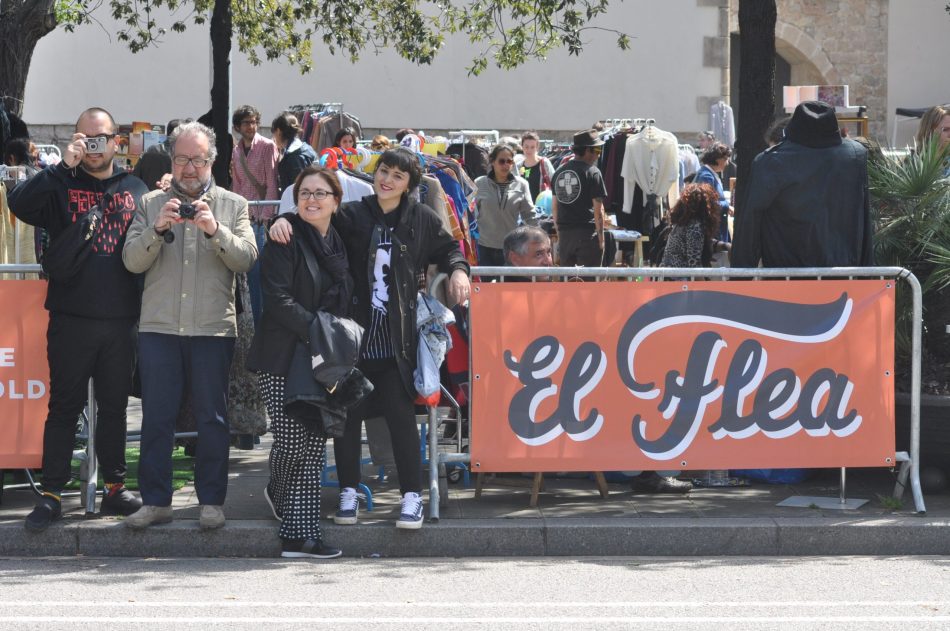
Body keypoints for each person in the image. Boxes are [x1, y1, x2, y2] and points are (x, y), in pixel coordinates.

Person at [269, 147, 470, 529]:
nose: (386, 179)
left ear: (409, 183)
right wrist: (279, 221)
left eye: (397, 175)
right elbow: (313, 220)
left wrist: (458, 271)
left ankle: (412, 497)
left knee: (399, 416)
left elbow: (450, 250)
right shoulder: (354, 215)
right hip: (351, 339)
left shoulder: (422, 219)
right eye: (383, 171)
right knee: (348, 416)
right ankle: (349, 492)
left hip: (395, 343)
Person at [8, 107, 146, 532]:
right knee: (63, 408)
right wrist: (59, 167)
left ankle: (114, 488)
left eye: (101, 137)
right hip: (70, 317)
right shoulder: (59, 183)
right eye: (85, 138)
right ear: (75, 140)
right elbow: (18, 204)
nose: (93, 145)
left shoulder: (136, 187)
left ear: (116, 141)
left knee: (115, 409)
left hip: (121, 318)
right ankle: (51, 494)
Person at [122, 121, 258, 530]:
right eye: (181, 159)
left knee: (212, 418)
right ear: (171, 160)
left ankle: (211, 502)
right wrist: (157, 228)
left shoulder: (233, 205)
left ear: (212, 161)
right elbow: (131, 261)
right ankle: (156, 501)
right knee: (157, 417)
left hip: (212, 328)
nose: (188, 168)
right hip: (159, 328)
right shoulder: (149, 204)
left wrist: (214, 230)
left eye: (197, 159)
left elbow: (247, 258)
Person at [247, 165, 350, 559]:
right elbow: (277, 298)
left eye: (320, 193)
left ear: (335, 201)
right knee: (291, 441)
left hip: (322, 361)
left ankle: (299, 536)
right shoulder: (285, 237)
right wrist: (318, 331)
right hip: (282, 355)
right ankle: (277, 488)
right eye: (304, 193)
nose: (311, 199)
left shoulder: (341, 243)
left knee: (312, 443)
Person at [732, 100, 872, 268]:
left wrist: (741, 273)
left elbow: (750, 222)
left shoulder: (771, 161)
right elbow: (863, 215)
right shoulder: (855, 156)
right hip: (843, 271)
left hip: (787, 274)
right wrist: (866, 270)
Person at [230, 105, 279, 324]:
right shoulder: (236, 149)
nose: (251, 126)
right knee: (245, 274)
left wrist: (266, 215)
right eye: (246, 123)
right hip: (243, 217)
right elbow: (236, 185)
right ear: (238, 126)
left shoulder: (268, 146)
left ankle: (262, 324)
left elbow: (271, 182)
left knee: (258, 273)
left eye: (254, 122)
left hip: (261, 217)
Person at [474, 144, 538, 267]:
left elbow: (529, 216)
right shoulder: (479, 183)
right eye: (502, 161)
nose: (506, 165)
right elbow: (470, 214)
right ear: (492, 162)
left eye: (509, 161)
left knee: (508, 285)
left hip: (511, 249)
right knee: (486, 285)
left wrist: (537, 240)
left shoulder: (522, 185)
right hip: (484, 247)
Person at [551, 130, 608, 267]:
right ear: (588, 150)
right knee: (589, 284)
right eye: (597, 149)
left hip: (565, 236)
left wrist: (560, 235)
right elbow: (598, 210)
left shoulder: (559, 171)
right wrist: (601, 240)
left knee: (569, 284)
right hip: (587, 235)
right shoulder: (593, 172)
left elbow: (555, 207)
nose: (598, 154)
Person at [660, 183, 729, 270]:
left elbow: (701, 244)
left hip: (669, 277)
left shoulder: (684, 224)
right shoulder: (695, 227)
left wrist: (726, 246)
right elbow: (695, 266)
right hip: (679, 280)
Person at [694, 142, 733, 244]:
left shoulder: (709, 174)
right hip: (712, 230)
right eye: (725, 159)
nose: (727, 163)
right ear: (717, 159)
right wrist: (726, 205)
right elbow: (708, 204)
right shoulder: (706, 176)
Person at [133, 119, 185, 191]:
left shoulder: (149, 151)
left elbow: (135, 177)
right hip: (170, 199)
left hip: (146, 198)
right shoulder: (182, 156)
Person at [271, 112, 317, 194]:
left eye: (274, 134)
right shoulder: (306, 148)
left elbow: (298, 188)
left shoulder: (294, 157)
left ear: (278, 131)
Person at [516, 131, 555, 202]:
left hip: (542, 206)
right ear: (522, 147)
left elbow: (554, 182)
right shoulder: (519, 166)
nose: (529, 150)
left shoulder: (544, 163)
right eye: (526, 147)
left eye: (532, 147)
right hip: (524, 208)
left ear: (537, 147)